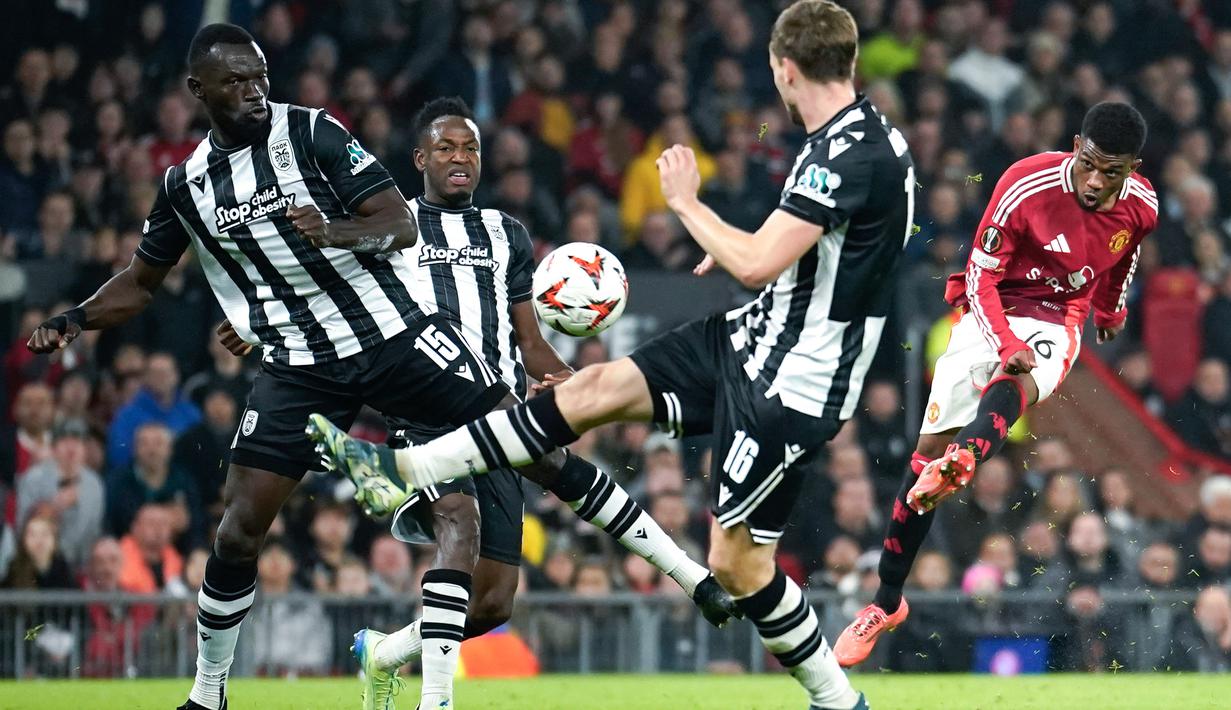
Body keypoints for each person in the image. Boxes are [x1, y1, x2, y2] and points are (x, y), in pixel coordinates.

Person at [312, 3, 913, 707]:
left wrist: (689, 206)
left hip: (794, 380)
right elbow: (832, 252)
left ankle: (837, 700)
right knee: (593, 388)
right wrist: (743, 248)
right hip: (751, 335)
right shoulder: (860, 139)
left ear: (783, 69)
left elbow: (755, 264)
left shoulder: (846, 151)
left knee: (739, 565)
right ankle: (398, 469)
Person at [23, 23, 496, 710]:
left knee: (469, 492)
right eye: (236, 81)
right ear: (198, 91)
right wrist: (74, 319)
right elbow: (140, 278)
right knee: (239, 527)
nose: (253, 91)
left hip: (387, 338)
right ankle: (208, 693)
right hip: (299, 365)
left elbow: (399, 222)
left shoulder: (312, 134)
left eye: (260, 77)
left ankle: (437, 697)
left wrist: (335, 230)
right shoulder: (186, 185)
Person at [225, 96, 734, 709]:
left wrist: (572, 385)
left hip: (497, 410)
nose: (459, 158)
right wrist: (258, 324)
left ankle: (385, 654)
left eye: (469, 148)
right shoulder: (392, 225)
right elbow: (315, 293)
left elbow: (528, 342)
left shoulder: (506, 234)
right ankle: (690, 578)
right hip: (422, 415)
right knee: (467, 517)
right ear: (420, 159)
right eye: (445, 148)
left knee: (492, 602)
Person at [834, 100, 1158, 667]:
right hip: (992, 308)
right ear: (1076, 145)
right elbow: (981, 277)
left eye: (1114, 171)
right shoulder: (1024, 184)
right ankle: (886, 602)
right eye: (1091, 163)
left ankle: (966, 456)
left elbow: (1123, 256)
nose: (1097, 180)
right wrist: (1006, 343)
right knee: (923, 459)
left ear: (1133, 167)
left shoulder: (1142, 205)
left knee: (1021, 378)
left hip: (1058, 318)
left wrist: (1108, 309)